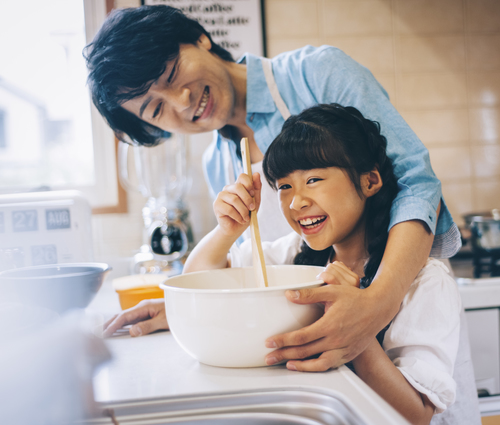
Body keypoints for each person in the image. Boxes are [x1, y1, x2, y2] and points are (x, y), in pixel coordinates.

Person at [87, 5, 462, 371]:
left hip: (404, 326)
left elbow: (416, 181)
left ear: (199, 40)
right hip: (318, 364)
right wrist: (189, 308)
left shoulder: (317, 73)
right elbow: (252, 274)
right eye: (156, 110)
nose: (182, 103)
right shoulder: (218, 163)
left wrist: (376, 303)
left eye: (171, 74)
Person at [183, 104, 479, 424]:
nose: (296, 202)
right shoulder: (296, 254)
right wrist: (226, 231)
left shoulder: (425, 280)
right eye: (284, 186)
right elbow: (198, 283)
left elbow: (415, 414)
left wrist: (354, 328)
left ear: (370, 181)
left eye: (313, 179)